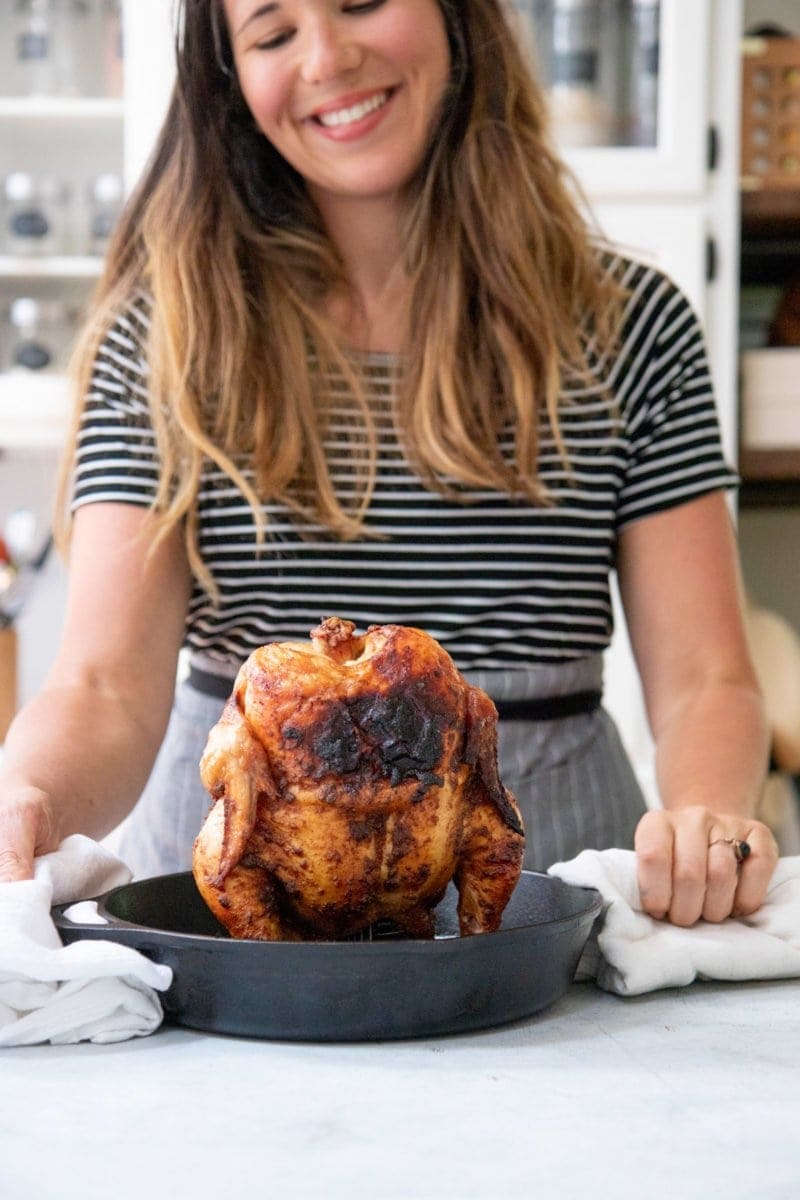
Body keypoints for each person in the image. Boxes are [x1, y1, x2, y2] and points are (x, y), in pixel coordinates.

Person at [0, 0, 777, 926]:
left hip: (549, 900)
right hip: (241, 921)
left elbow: (705, 679)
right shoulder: (165, 341)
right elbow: (103, 685)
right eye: (272, 33)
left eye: (362, 0)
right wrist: (28, 799)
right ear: (230, 83)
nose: (328, 56)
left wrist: (708, 819)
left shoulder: (633, 327)